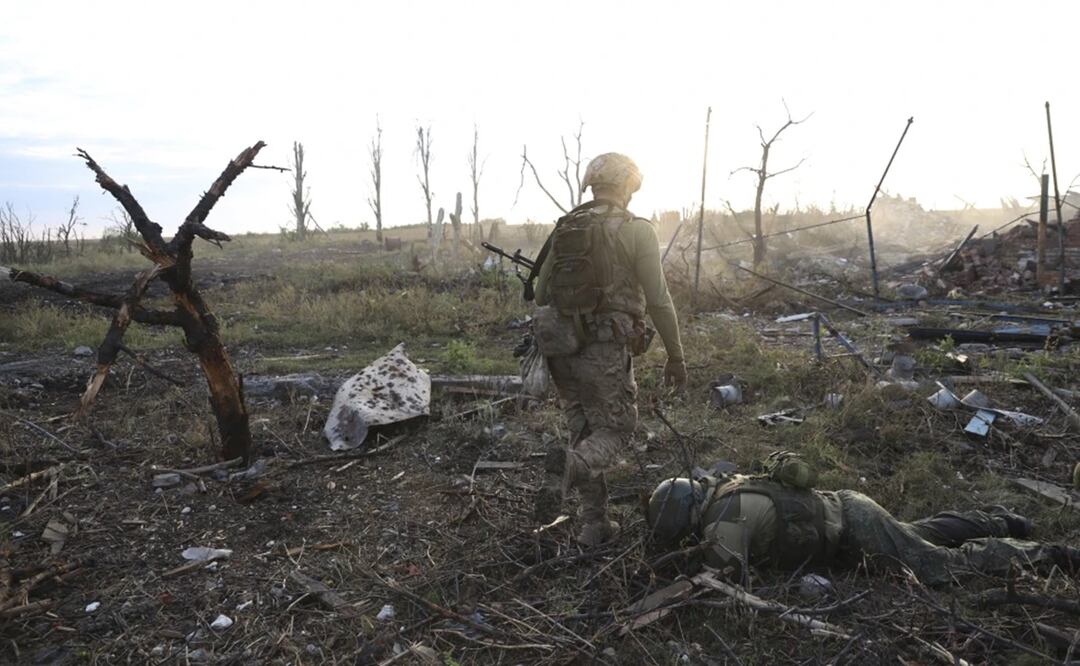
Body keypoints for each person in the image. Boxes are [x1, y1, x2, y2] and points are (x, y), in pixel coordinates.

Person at [529, 152, 686, 547]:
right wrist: (676, 354)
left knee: (584, 428)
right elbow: (659, 299)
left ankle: (594, 524)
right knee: (617, 427)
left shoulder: (566, 227)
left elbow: (541, 292)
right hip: (603, 346)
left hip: (559, 348)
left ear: (592, 185)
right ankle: (570, 467)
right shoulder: (636, 230)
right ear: (628, 186)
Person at [647, 458, 1080, 585]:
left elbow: (723, 577)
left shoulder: (722, 520)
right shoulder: (728, 487)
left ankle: (1055, 554)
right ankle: (1003, 521)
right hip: (849, 513)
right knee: (919, 535)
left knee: (936, 566)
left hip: (852, 528)